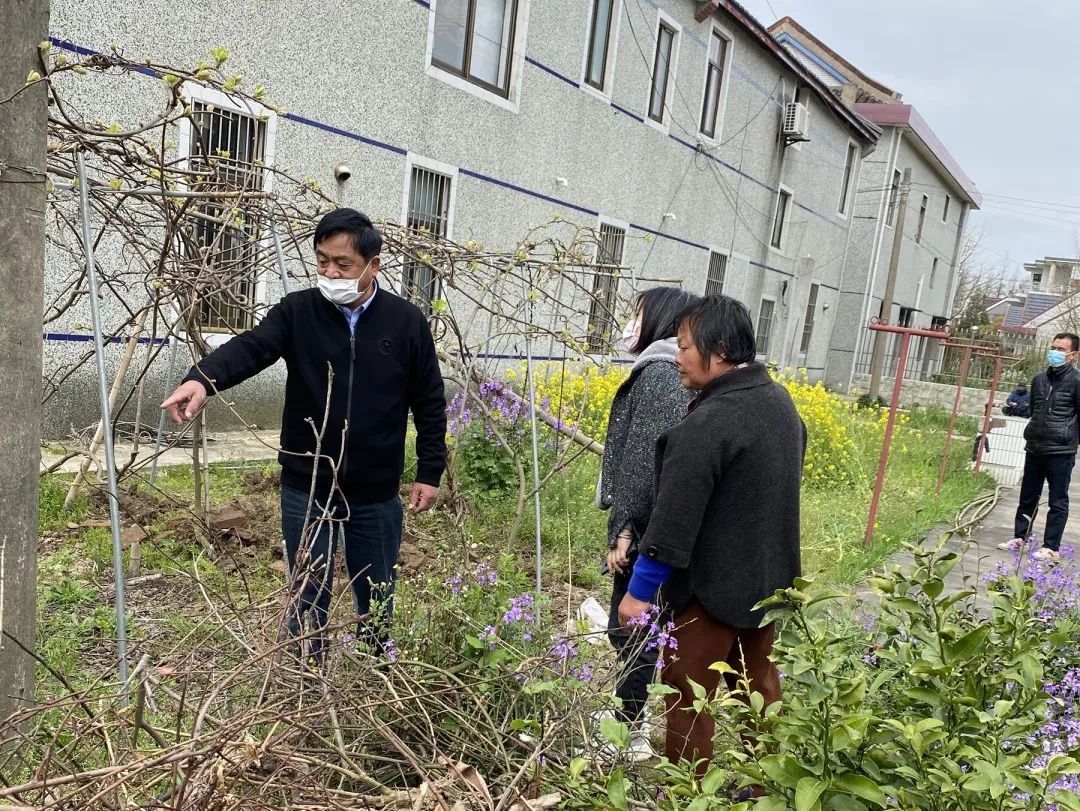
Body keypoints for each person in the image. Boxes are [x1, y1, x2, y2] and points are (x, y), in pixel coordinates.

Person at [162, 208, 447, 657]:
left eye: (343, 264)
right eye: (322, 261)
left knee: (376, 591)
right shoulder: (299, 312)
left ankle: (375, 676)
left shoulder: (405, 322)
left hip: (374, 489)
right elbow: (252, 347)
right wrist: (202, 379)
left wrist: (430, 470)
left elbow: (429, 401)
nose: (330, 272)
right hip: (307, 482)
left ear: (373, 264)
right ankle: (303, 684)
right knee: (307, 589)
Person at [617, 294, 805, 777]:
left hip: (710, 592)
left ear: (717, 350)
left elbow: (672, 521)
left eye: (683, 347)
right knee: (757, 688)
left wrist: (638, 593)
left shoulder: (706, 424)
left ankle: (688, 792)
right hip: (769, 585)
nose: (676, 357)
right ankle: (771, 788)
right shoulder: (780, 404)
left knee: (687, 696)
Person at [597, 286, 699, 761]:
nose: (630, 323)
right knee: (641, 627)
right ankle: (630, 719)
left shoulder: (658, 374)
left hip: (647, 530)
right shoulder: (663, 371)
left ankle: (627, 730)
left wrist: (625, 531)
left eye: (637, 314)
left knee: (633, 626)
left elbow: (644, 461)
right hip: (656, 525)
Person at [998, 333, 1080, 562]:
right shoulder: (1039, 380)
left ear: (1073, 355)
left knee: (1057, 500)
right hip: (1035, 446)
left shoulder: (1076, 381)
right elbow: (1033, 409)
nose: (1055, 352)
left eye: (1061, 350)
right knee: (1028, 496)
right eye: (1053, 347)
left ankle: (1050, 546)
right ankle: (1020, 537)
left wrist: (1070, 440)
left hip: (1061, 451)